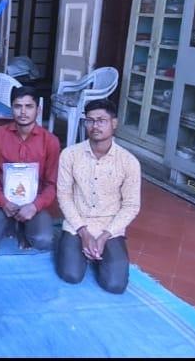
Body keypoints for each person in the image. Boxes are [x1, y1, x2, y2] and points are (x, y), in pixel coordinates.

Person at [56, 99, 141, 294]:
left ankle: (96, 253)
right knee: (71, 275)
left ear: (114, 123)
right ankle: (76, 249)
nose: (95, 126)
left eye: (101, 120)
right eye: (90, 120)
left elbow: (131, 206)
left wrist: (104, 236)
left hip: (109, 227)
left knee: (115, 285)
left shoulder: (129, 162)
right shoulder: (70, 155)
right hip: (77, 224)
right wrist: (84, 233)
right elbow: (64, 195)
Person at [0, 86, 59, 255]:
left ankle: (23, 225)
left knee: (43, 240)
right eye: (17, 106)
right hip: (4, 203)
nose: (23, 112)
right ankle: (11, 223)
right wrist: (3, 202)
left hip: (33, 204)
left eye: (29, 106)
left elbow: (52, 184)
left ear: (38, 109)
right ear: (11, 108)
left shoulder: (50, 141)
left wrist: (35, 206)